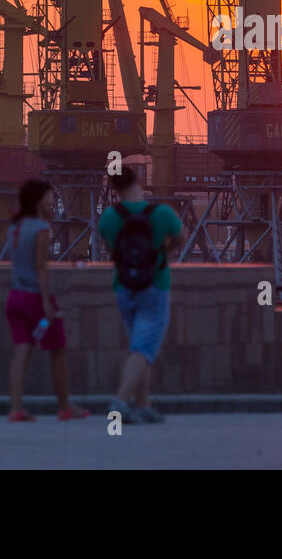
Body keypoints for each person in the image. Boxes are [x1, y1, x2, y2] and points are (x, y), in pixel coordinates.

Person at [99, 166, 186, 424]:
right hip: (155, 285)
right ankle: (119, 402)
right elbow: (180, 237)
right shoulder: (162, 213)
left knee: (139, 346)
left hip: (124, 287)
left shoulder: (109, 218)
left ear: (114, 188)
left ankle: (143, 405)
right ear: (138, 180)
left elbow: (110, 247)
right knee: (143, 349)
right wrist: (162, 249)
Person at [3, 179, 89, 423]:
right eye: (50, 195)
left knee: (21, 352)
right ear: (39, 199)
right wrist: (46, 303)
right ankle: (64, 406)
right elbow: (41, 266)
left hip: (15, 296)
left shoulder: (14, 226)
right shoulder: (41, 228)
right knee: (58, 351)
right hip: (34, 298)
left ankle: (16, 407)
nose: (53, 199)